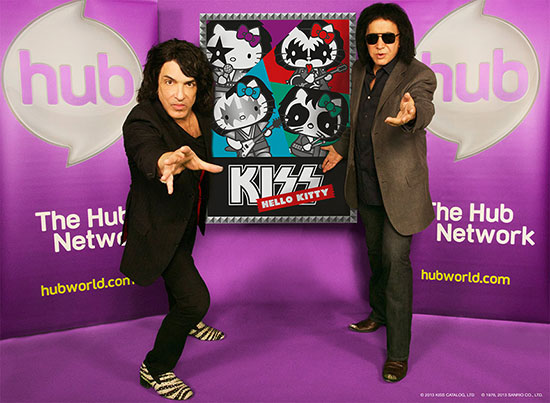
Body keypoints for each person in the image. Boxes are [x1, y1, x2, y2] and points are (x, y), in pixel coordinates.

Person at [322, 3, 436, 383]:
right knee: (375, 255)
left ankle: (398, 354)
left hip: (401, 189)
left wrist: (411, 116)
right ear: (364, 41)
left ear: (401, 39)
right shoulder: (358, 71)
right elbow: (356, 122)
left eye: (388, 37)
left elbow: (423, 107)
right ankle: (380, 313)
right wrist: (340, 148)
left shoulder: (418, 74)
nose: (380, 44)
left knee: (395, 261)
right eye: (373, 38)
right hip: (366, 182)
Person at [119, 39, 225, 400]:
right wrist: (165, 161)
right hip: (158, 226)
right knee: (195, 300)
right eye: (170, 82)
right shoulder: (142, 118)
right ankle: (155, 368)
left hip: (187, 217)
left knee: (181, 283)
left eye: (189, 83)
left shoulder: (203, 115)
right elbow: (145, 149)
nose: (179, 95)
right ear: (155, 82)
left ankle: (187, 322)